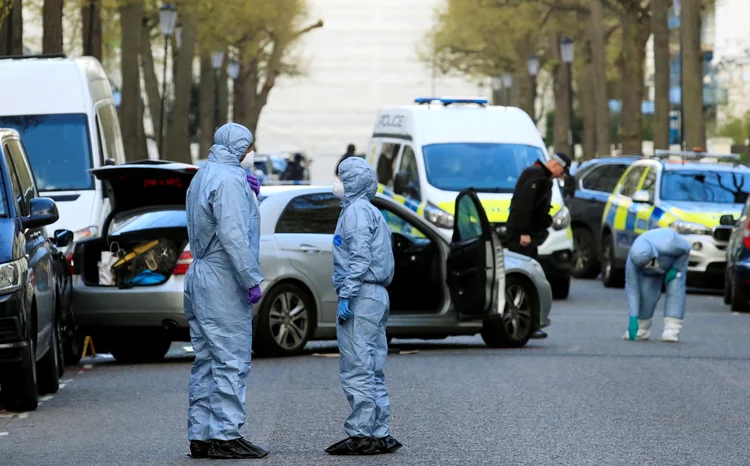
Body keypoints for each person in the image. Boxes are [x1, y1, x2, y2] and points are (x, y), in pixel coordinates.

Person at [183, 123, 268, 460]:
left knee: (206, 359)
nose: (252, 153)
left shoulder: (203, 175)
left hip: (200, 274)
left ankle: (201, 435)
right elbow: (234, 235)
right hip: (222, 278)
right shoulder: (230, 180)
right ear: (240, 147)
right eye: (249, 147)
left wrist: (252, 197)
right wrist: (251, 279)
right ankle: (226, 434)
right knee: (231, 358)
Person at [325, 157, 402, 456]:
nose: (338, 184)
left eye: (342, 178)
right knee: (373, 366)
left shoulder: (355, 212)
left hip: (362, 295)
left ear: (353, 181)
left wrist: (347, 293)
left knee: (357, 365)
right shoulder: (370, 211)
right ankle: (380, 432)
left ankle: (362, 434)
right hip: (377, 295)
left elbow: (359, 256)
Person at [506, 152, 571, 339]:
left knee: (528, 276)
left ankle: (529, 323)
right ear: (557, 165)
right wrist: (524, 232)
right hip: (522, 236)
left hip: (525, 234)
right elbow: (523, 205)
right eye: (563, 170)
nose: (562, 175)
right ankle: (526, 323)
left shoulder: (540, 176)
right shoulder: (535, 176)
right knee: (525, 278)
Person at [624, 226, 691, 342]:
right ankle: (641, 328)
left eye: (649, 262)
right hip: (650, 274)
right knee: (646, 295)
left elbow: (687, 248)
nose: (647, 265)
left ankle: (672, 329)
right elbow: (632, 289)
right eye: (643, 265)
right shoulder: (632, 261)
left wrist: (676, 268)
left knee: (675, 292)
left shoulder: (669, 243)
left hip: (673, 265)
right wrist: (633, 317)